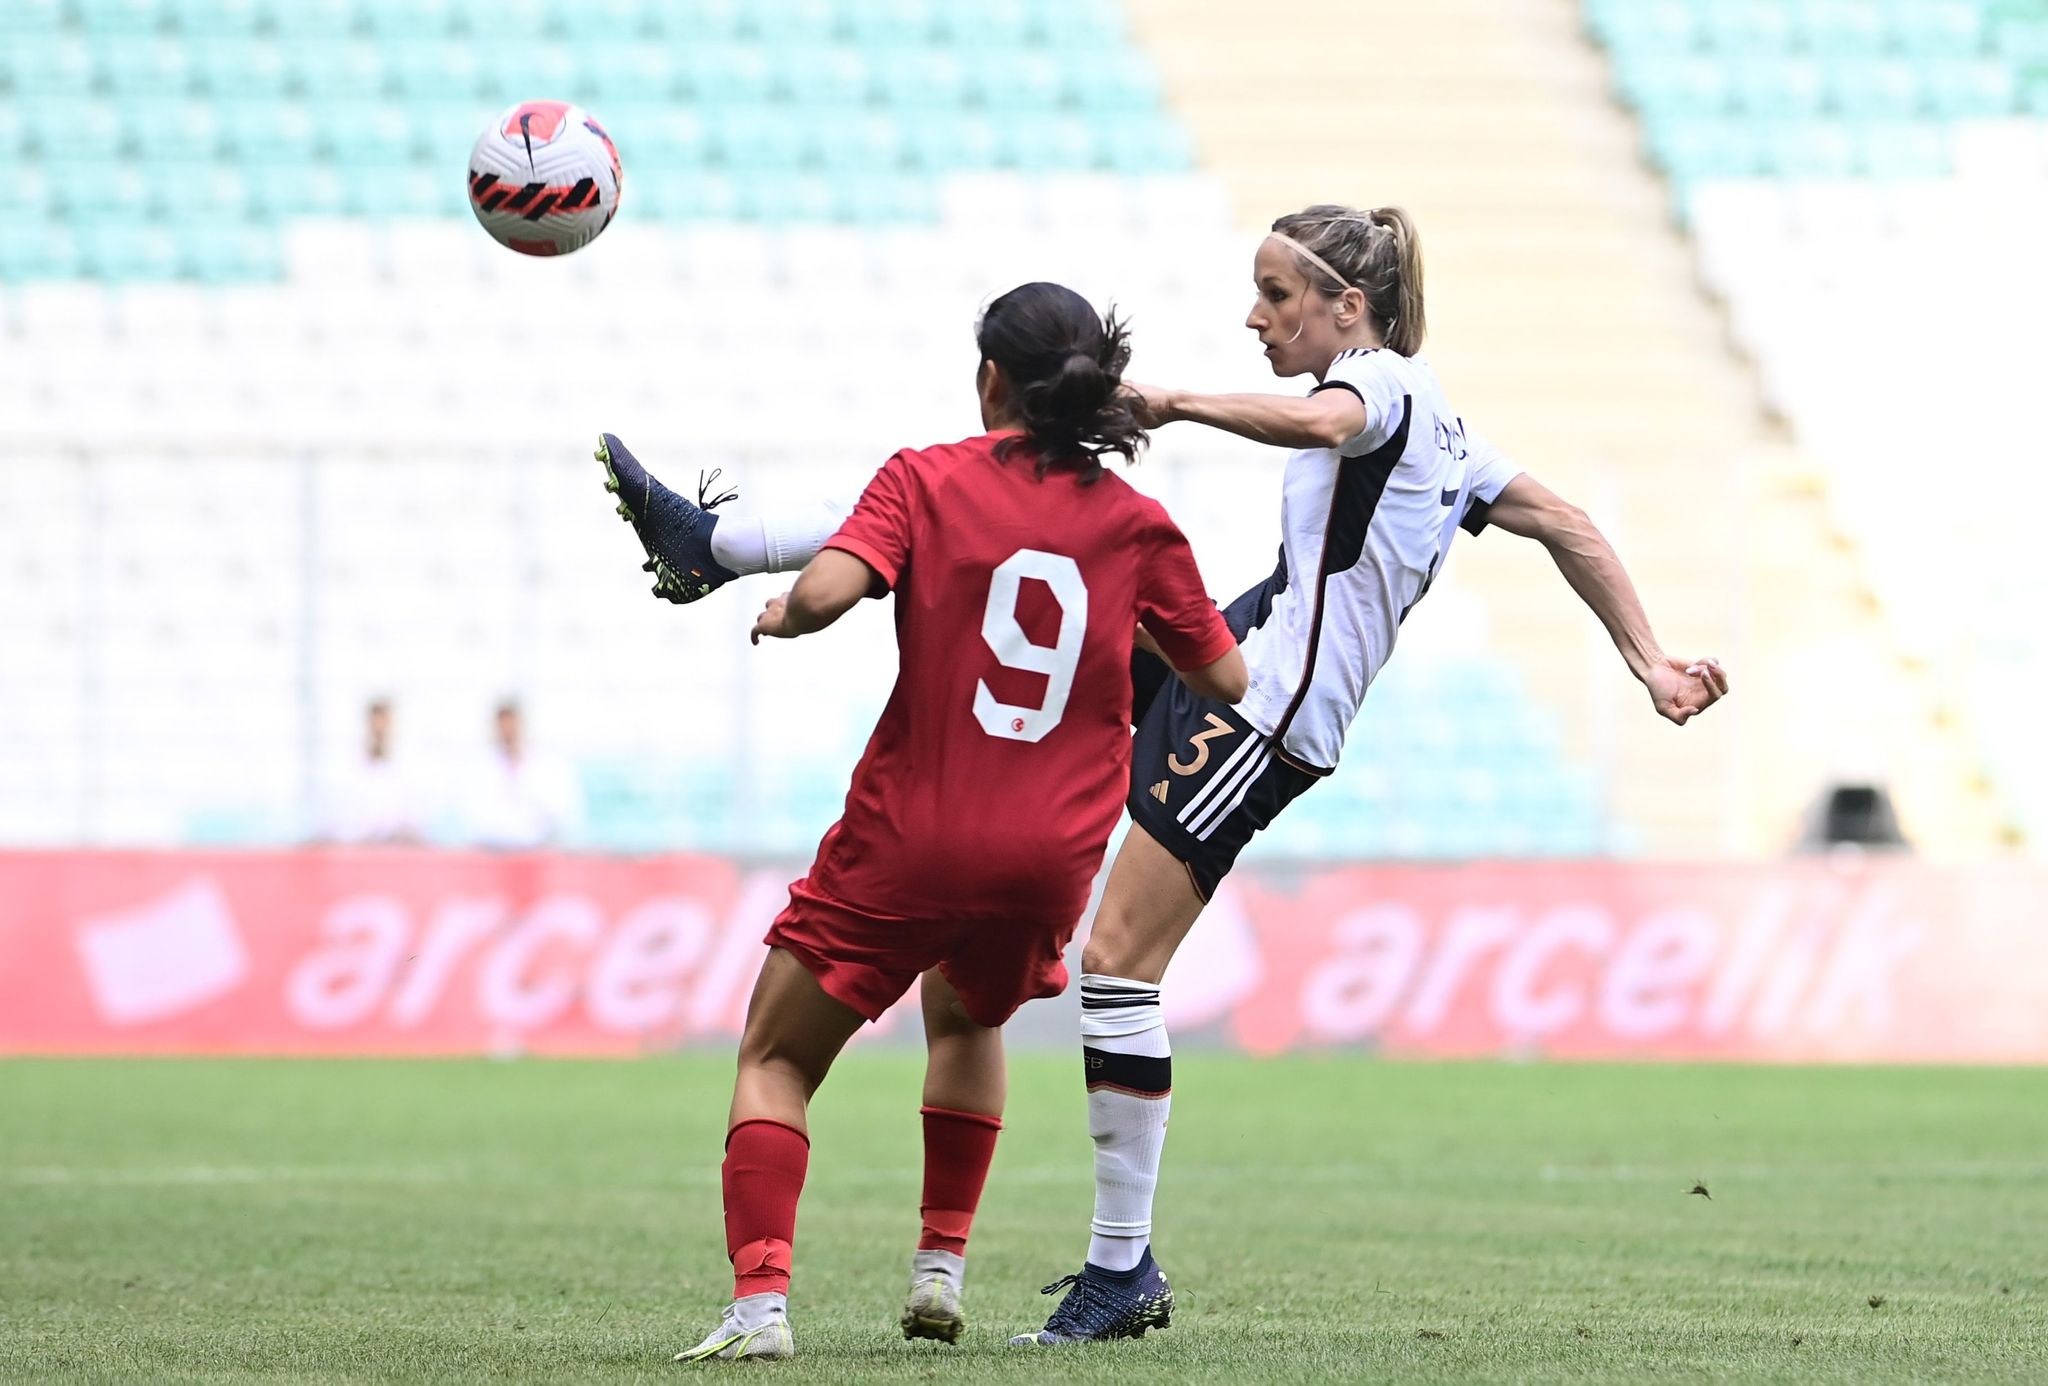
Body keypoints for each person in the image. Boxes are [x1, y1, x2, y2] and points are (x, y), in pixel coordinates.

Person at [601, 204, 1731, 1347]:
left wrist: (1179, 400)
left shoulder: (1380, 382)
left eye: (1276, 295)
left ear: (1349, 307)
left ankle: (1119, 1267)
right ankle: (719, 547)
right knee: (1017, 502)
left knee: (1114, 964)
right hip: (1247, 652)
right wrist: (1648, 662)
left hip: (1262, 708)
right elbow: (1566, 521)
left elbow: (1329, 419)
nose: (1256, 315)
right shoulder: (1447, 431)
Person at [598, 282, 1246, 1362]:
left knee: (775, 1057)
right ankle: (938, 1270)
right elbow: (1222, 674)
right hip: (1046, 855)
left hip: (914, 830)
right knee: (969, 1020)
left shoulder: (924, 476)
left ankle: (760, 1307)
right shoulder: (1138, 525)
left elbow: (831, 590)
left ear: (990, 378)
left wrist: (782, 612)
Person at [458, 699, 582, 849]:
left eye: (512, 723)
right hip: (493, 851)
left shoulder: (547, 765)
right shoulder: (479, 767)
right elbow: (474, 818)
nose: (508, 730)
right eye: (503, 724)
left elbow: (560, 811)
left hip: (536, 852)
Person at [316, 697, 424, 845]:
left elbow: (414, 820)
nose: (379, 731)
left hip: (395, 852)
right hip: (359, 851)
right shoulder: (347, 768)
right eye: (375, 724)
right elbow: (336, 822)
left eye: (384, 724)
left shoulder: (409, 769)